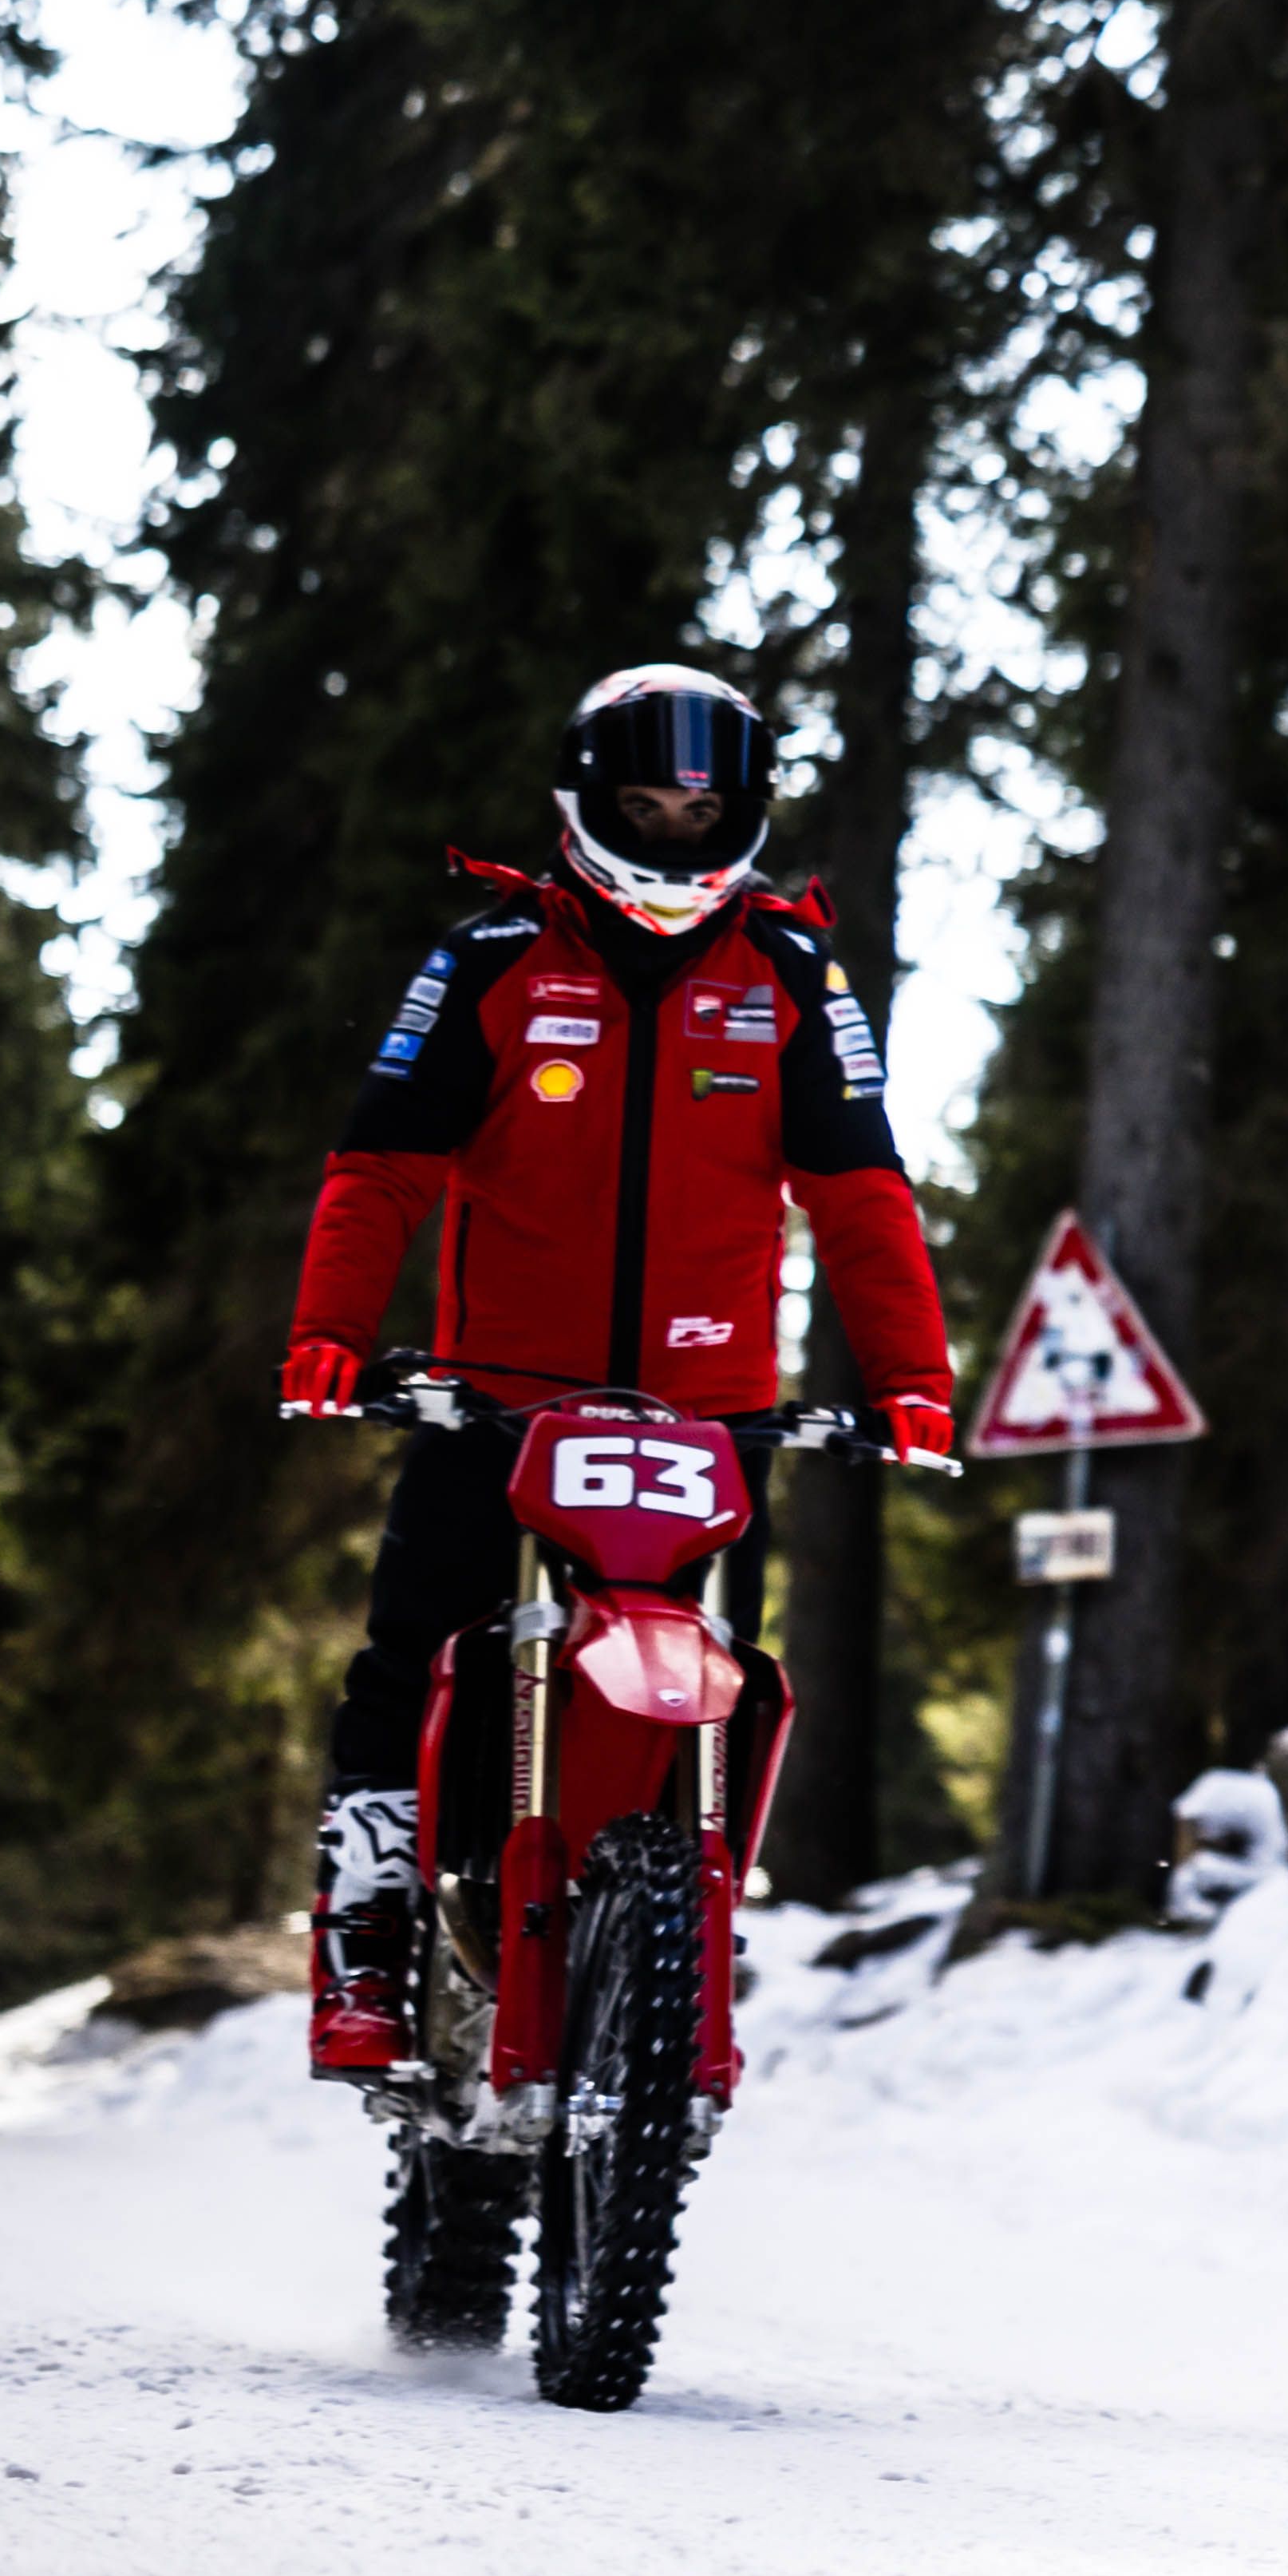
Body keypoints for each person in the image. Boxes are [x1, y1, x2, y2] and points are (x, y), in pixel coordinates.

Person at [278, 664, 966, 2079]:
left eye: (700, 806)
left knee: (729, 1673)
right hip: (497, 1398)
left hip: (707, 1426)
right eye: (643, 804)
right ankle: (369, 1929)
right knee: (410, 1657)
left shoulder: (790, 974)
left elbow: (862, 1194)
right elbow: (383, 1169)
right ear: (586, 804)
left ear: (746, 810)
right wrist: (332, 1341)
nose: (671, 833)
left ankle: (694, 1929)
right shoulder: (489, 958)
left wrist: (912, 1381)